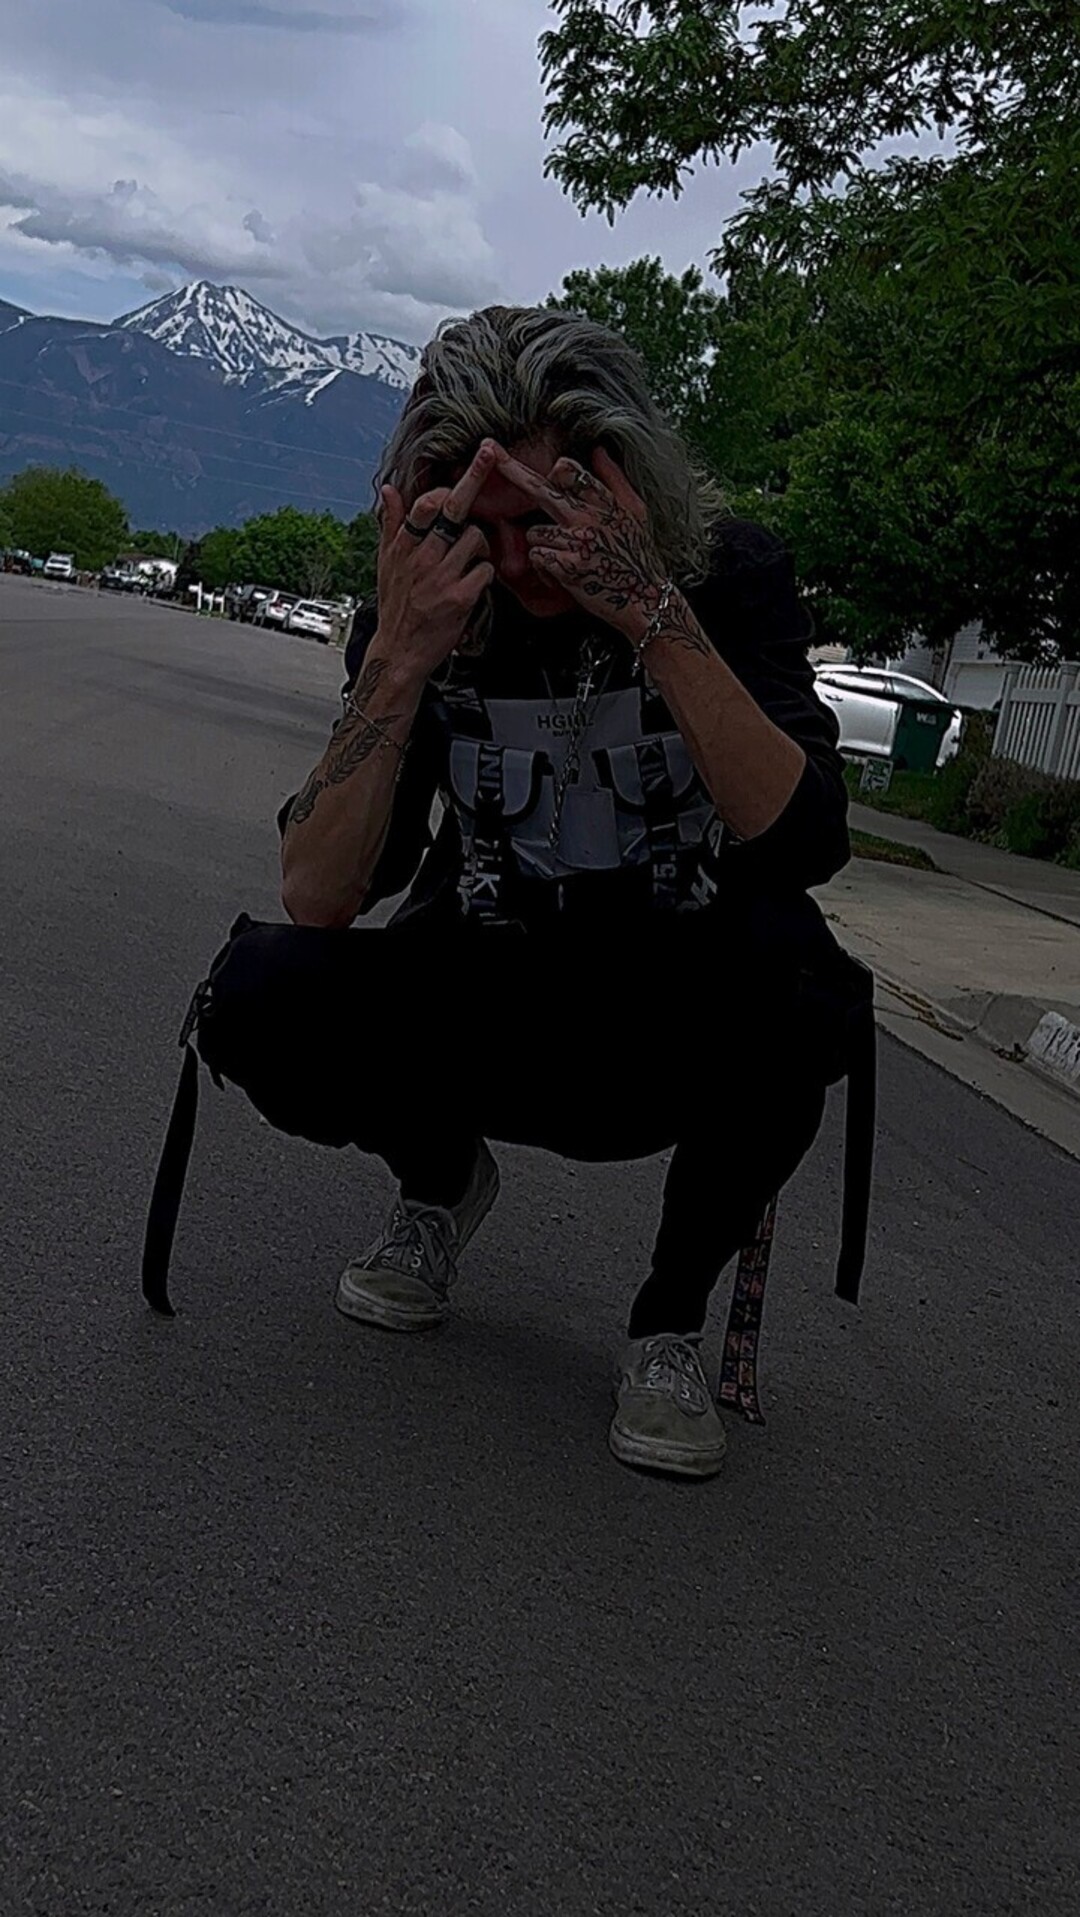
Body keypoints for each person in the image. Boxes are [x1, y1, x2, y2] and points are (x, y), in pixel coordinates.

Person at [145, 305, 873, 1480]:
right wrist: (399, 657)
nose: (519, 563)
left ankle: (667, 1322)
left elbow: (805, 839)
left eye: (545, 521)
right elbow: (324, 892)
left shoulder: (726, 577)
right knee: (260, 992)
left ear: (623, 485)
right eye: (483, 529)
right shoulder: (435, 599)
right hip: (482, 996)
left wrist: (653, 613)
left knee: (807, 989)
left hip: (674, 1016)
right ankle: (440, 1186)